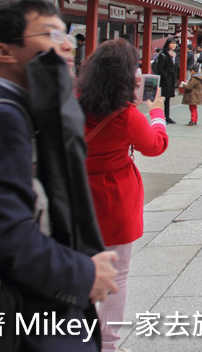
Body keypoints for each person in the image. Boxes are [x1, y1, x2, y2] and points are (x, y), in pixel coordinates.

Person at [0, 0, 119, 349]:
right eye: (49, 35)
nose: (65, 46)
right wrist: (84, 274)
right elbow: (5, 235)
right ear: (3, 51)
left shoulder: (4, 109)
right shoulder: (1, 117)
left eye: (65, 35)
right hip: (21, 315)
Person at [78, 38, 169, 352]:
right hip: (114, 197)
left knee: (78, 270)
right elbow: (155, 145)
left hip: (76, 196)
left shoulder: (72, 102)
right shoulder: (126, 114)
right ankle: (107, 343)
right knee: (117, 275)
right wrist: (155, 111)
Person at [153, 36, 181, 123]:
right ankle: (161, 116)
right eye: (171, 43)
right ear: (168, 44)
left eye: (174, 43)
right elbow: (160, 68)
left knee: (168, 98)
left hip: (171, 78)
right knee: (162, 98)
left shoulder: (173, 54)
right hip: (165, 80)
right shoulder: (163, 54)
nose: (173, 45)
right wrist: (165, 76)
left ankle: (167, 116)